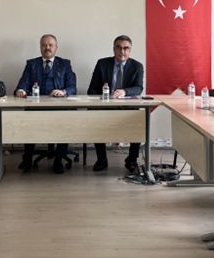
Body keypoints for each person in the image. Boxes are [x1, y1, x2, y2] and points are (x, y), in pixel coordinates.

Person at [14, 34, 77, 173]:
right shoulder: (32, 64)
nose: (47, 48)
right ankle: (27, 159)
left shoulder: (65, 64)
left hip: (59, 108)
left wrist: (63, 91)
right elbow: (23, 84)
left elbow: (72, 87)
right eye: (44, 45)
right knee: (28, 122)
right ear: (40, 47)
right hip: (36, 107)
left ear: (56, 47)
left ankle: (58, 160)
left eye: (50, 45)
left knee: (64, 123)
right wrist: (21, 90)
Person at [87, 35, 144, 172]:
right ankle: (101, 159)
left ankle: (132, 159)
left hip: (127, 106)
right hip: (105, 105)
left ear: (130, 50)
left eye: (126, 48)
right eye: (119, 47)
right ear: (114, 49)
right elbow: (91, 90)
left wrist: (124, 91)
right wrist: (104, 93)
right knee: (95, 118)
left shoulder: (137, 66)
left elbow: (138, 88)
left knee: (139, 120)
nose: (122, 51)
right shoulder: (102, 64)